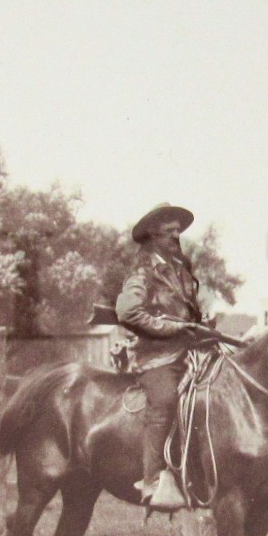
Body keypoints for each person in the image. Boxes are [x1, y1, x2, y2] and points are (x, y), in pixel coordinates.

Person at [115, 202, 207, 512]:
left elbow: (188, 313)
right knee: (165, 400)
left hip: (189, 353)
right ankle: (152, 482)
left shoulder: (181, 271)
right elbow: (127, 311)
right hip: (156, 358)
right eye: (170, 232)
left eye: (178, 232)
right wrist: (169, 329)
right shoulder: (142, 272)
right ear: (153, 237)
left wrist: (202, 326)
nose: (176, 237)